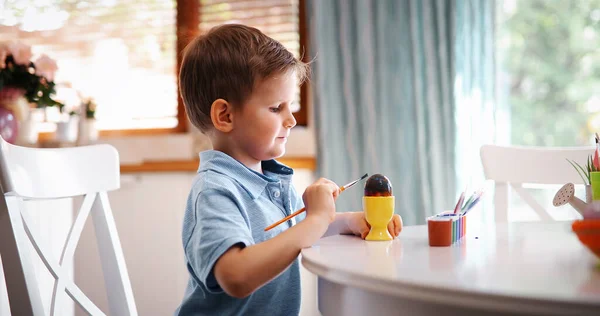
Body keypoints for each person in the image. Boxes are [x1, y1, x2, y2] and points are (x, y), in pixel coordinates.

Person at [175, 24, 403, 316]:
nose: (291, 120)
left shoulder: (271, 180)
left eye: (291, 106)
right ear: (225, 115)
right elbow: (236, 276)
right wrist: (317, 218)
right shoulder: (215, 191)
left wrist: (345, 222)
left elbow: (292, 234)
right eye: (276, 108)